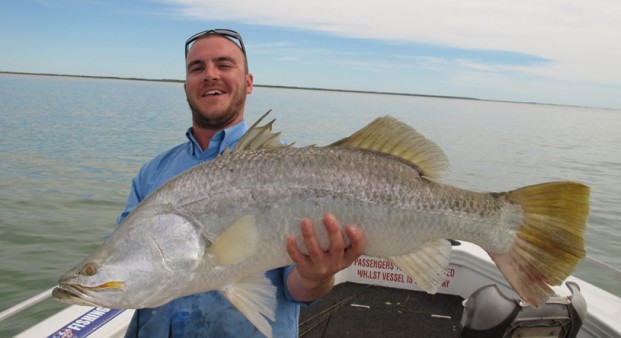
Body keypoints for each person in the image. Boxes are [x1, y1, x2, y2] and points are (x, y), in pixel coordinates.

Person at [117, 29, 365, 337]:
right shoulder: (151, 174)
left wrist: (318, 276)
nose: (210, 75)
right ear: (186, 87)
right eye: (198, 68)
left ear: (248, 82)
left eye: (224, 64)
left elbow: (296, 287)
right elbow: (124, 257)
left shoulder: (294, 171)